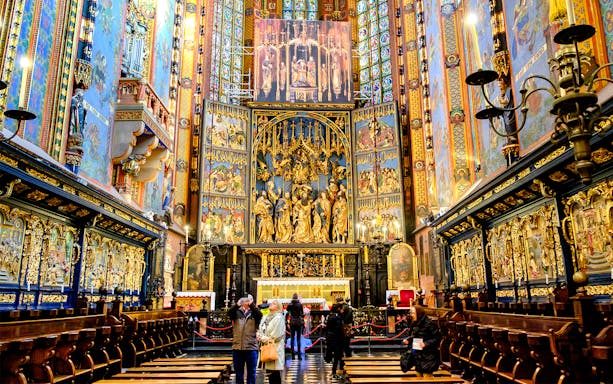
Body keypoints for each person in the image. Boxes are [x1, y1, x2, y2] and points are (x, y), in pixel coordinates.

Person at [228, 293, 263, 384]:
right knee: (239, 374)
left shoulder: (254, 312)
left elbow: (259, 315)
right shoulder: (237, 312)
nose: (246, 302)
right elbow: (229, 313)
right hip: (237, 347)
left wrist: (251, 305)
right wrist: (237, 305)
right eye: (244, 300)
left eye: (248, 300)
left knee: (251, 373)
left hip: (251, 347)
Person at [402, 305, 441, 377]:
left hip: (429, 356)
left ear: (419, 313)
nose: (411, 315)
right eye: (411, 313)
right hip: (419, 355)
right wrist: (409, 340)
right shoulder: (416, 323)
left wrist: (426, 344)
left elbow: (438, 338)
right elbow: (417, 336)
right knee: (418, 377)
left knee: (427, 377)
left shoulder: (429, 323)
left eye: (413, 313)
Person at [257, 299, 286, 384]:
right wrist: (259, 335)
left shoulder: (279, 318)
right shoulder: (266, 316)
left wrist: (262, 338)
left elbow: (275, 335)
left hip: (274, 347)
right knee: (270, 373)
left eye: (274, 303)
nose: (271, 304)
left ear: (278, 307)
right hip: (266, 346)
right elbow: (260, 327)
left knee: (275, 373)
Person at [325, 300, 345, 380]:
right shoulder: (337, 317)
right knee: (337, 355)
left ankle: (335, 370)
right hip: (336, 338)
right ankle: (335, 371)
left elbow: (327, 327)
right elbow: (339, 328)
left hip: (330, 337)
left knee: (334, 354)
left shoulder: (330, 315)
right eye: (341, 309)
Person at [286, 292, 304, 359]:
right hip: (298, 321)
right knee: (298, 338)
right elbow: (302, 313)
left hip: (292, 321)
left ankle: (293, 354)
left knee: (292, 338)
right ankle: (299, 355)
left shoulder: (290, 304)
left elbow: (287, 311)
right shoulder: (300, 304)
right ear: (297, 297)